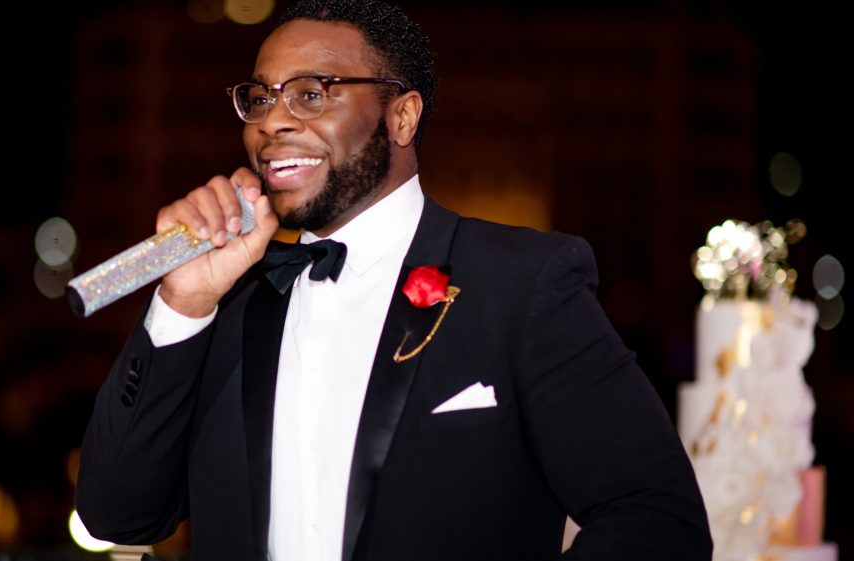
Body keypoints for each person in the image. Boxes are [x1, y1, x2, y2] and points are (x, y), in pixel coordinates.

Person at [74, 1, 713, 560]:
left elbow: (656, 519)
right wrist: (183, 302)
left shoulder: (521, 284)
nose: (271, 121)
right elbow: (118, 516)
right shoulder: (226, 300)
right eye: (261, 97)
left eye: (312, 93)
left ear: (401, 117)